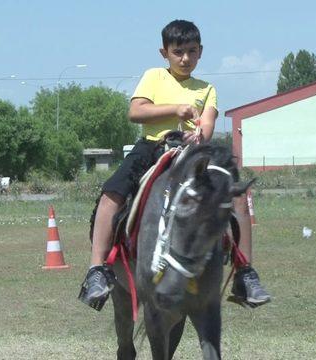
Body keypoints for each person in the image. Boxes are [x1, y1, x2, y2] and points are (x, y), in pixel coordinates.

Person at [78, 19, 270, 309]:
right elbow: (136, 111)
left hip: (193, 153)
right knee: (111, 193)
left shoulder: (207, 89)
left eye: (192, 51)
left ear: (201, 51)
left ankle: (246, 273)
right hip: (152, 147)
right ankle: (97, 271)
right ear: (164, 53)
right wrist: (176, 109)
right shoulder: (154, 77)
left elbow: (207, 122)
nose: (185, 58)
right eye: (178, 52)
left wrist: (199, 135)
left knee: (238, 196)